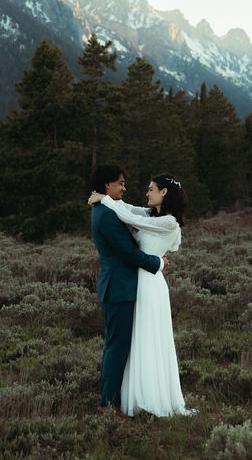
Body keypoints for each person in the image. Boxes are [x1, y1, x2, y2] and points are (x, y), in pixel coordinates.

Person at [89, 172, 195, 417]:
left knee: (147, 339)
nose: (146, 193)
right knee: (135, 341)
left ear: (164, 192)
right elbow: (128, 207)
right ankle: (126, 396)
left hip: (149, 284)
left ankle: (149, 396)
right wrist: (104, 197)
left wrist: (104, 199)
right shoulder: (150, 214)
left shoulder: (168, 222)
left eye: (151, 189)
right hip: (137, 282)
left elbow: (125, 215)